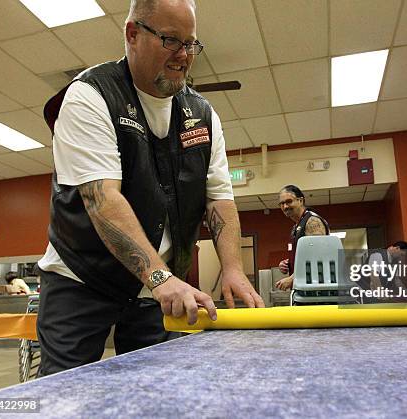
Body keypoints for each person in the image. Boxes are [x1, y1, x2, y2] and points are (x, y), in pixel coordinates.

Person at [36, 0, 263, 376]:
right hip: (81, 279)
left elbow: (220, 199)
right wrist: (159, 277)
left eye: (191, 43)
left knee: (156, 387)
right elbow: (102, 198)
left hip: (152, 286)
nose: (184, 56)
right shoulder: (91, 96)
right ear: (132, 34)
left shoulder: (203, 115)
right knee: (64, 393)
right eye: (171, 40)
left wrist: (234, 269)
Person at [274, 185, 330, 291]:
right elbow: (305, 255)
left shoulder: (312, 221)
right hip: (303, 288)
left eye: (289, 201)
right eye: (282, 203)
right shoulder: (296, 227)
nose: (285, 206)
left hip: (316, 290)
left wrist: (293, 278)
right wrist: (288, 263)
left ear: (300, 201)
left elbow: (318, 257)